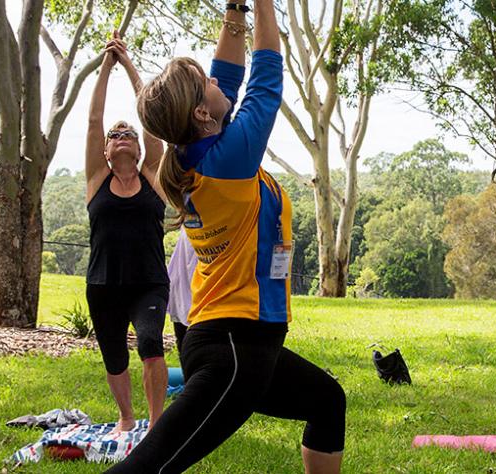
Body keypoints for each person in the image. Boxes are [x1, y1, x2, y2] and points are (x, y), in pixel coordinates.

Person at [109, 1, 345, 472]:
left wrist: (235, 9)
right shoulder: (227, 162)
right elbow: (264, 79)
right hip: (235, 348)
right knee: (149, 465)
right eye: (208, 85)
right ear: (201, 112)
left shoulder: (200, 155)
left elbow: (227, 76)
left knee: (326, 401)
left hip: (238, 341)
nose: (219, 82)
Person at [84, 31, 169, 433]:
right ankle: (126, 417)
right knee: (114, 356)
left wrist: (129, 64)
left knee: (151, 344)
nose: (121, 137)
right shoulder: (97, 179)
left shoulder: (152, 176)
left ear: (139, 149)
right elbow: (93, 120)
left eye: (128, 134)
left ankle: (156, 426)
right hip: (103, 283)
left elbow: (151, 118)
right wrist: (105, 65)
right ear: (105, 150)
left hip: (149, 282)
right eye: (114, 136)